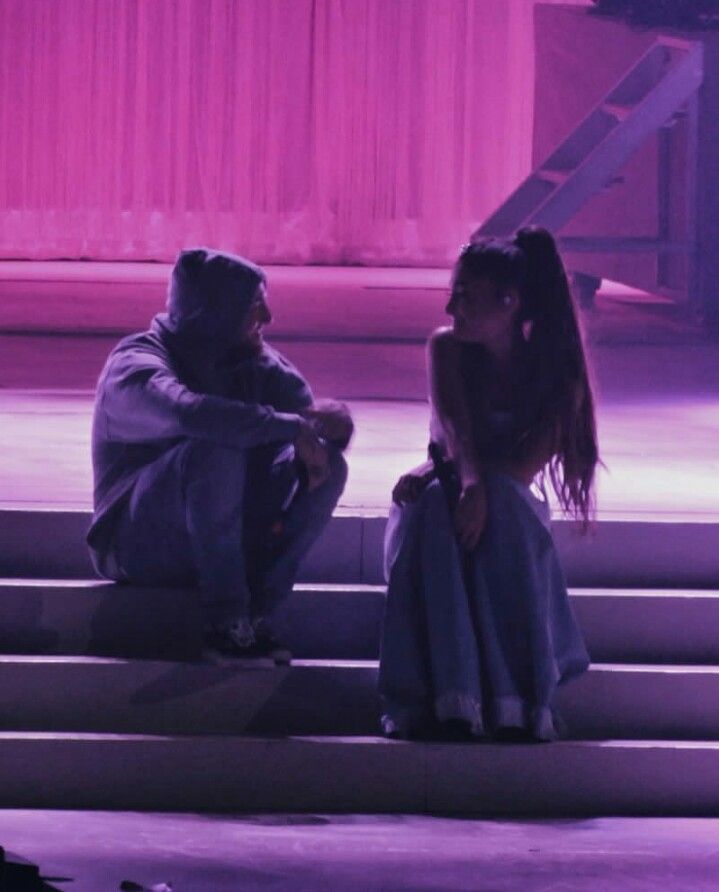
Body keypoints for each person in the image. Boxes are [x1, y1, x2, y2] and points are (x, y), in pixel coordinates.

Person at [379, 227, 598, 741]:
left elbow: (520, 470)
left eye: (467, 296)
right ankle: (444, 700)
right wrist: (454, 476)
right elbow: (454, 430)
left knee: (499, 505)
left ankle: (514, 701)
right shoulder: (446, 349)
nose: (452, 306)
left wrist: (457, 477)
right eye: (453, 292)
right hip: (453, 489)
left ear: (509, 302)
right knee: (432, 507)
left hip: (505, 504)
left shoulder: (555, 372)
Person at [87, 248, 353, 662]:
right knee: (213, 448)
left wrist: (330, 427)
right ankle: (225, 620)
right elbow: (188, 412)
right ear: (210, 313)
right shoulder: (136, 364)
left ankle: (260, 614)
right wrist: (290, 425)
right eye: (252, 306)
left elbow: (306, 422)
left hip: (217, 539)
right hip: (135, 546)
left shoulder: (259, 366)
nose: (267, 317)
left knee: (327, 466)